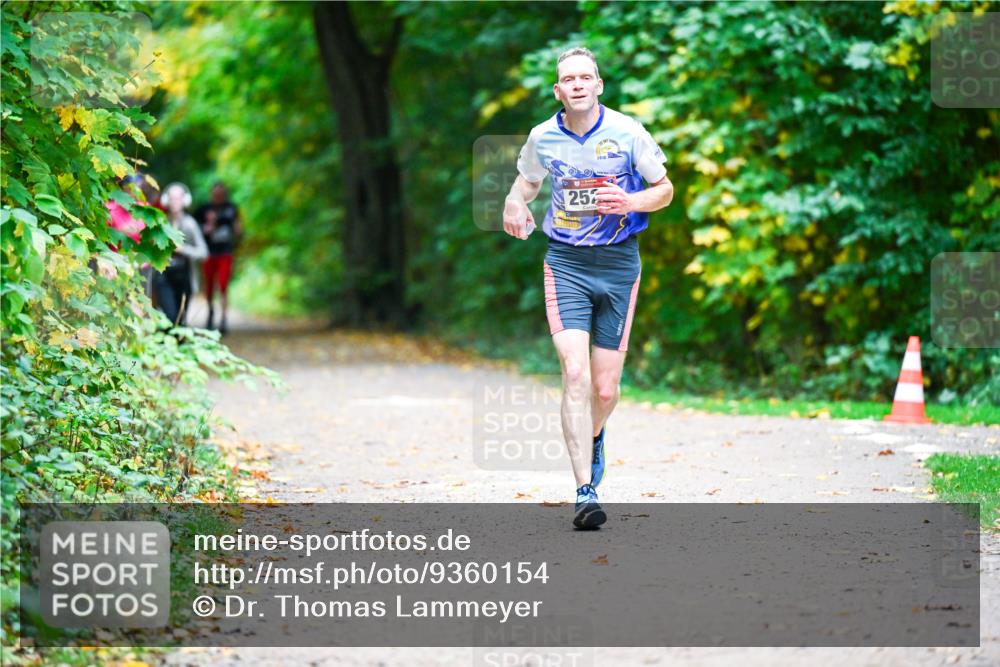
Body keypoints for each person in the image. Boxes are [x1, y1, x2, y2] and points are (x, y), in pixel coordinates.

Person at [503, 47, 674, 529]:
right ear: (558, 91)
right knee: (575, 374)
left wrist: (630, 199)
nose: (577, 84)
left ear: (599, 85)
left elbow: (665, 189)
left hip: (620, 264)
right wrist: (514, 203)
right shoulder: (542, 137)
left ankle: (592, 434)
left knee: (604, 387)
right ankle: (584, 491)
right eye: (567, 79)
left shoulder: (628, 132)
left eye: (586, 77)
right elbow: (527, 184)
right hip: (567, 264)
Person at [153, 182, 208, 327]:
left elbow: (203, 252)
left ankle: (177, 346)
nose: (175, 202)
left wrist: (183, 249)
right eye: (172, 198)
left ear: (185, 200)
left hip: (184, 277)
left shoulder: (190, 224)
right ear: (166, 200)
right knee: (170, 316)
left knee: (180, 319)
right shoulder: (161, 222)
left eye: (178, 198)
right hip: (163, 276)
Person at [194, 182, 242, 334]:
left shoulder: (231, 208)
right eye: (216, 194)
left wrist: (236, 232)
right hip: (208, 253)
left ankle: (223, 318)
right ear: (212, 194)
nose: (219, 196)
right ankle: (210, 313)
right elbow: (194, 228)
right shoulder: (204, 209)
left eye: (221, 194)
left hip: (225, 253)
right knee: (208, 286)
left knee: (223, 285)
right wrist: (206, 228)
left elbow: (238, 229)